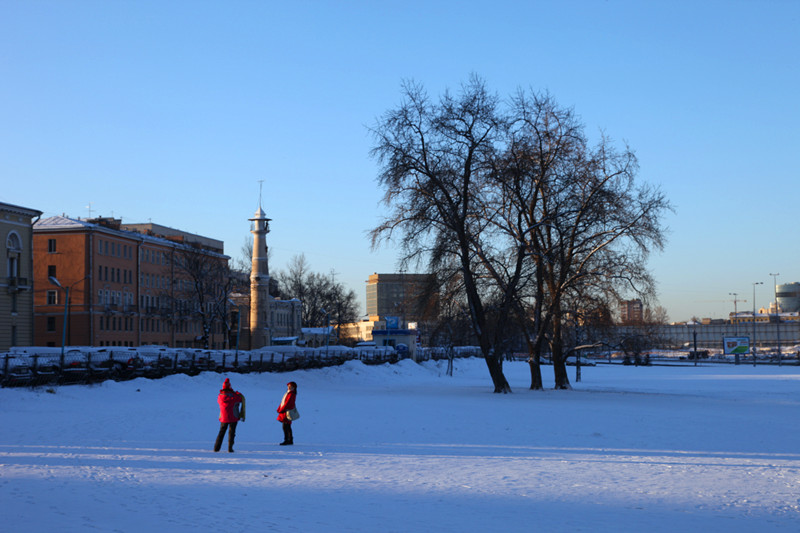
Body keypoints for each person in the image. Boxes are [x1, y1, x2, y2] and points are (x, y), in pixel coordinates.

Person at [214, 378, 245, 453]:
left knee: (221, 432)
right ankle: (230, 448)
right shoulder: (234, 396)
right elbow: (240, 399)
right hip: (233, 417)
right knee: (232, 432)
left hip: (223, 417)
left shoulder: (220, 396)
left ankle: (216, 448)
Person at [276, 381, 297, 446]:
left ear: (294, 388)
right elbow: (283, 402)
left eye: (291, 387)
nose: (289, 387)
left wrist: (281, 410)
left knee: (286, 426)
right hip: (285, 412)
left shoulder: (291, 394)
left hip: (287, 412)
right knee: (287, 426)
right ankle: (290, 440)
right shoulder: (288, 393)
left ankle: (287, 440)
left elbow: (288, 404)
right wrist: (279, 408)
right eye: (289, 386)